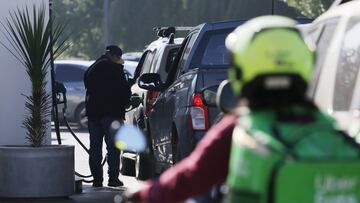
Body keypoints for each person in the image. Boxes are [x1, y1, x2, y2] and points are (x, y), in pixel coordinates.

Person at [124, 15, 360, 203]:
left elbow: (191, 177)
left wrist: (142, 196)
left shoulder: (240, 129)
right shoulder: (333, 128)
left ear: (241, 70)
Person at [84, 45, 131, 187]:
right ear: (115, 56)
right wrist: (126, 102)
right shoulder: (115, 69)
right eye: (118, 58)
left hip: (93, 114)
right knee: (113, 148)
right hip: (111, 114)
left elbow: (88, 87)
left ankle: (97, 179)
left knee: (95, 148)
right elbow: (125, 91)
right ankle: (113, 179)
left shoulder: (91, 68)